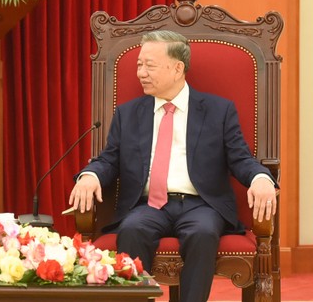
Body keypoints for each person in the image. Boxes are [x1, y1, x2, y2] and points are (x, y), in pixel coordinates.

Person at [68, 30, 277, 302]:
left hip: (201, 204)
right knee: (132, 229)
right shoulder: (129, 113)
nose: (141, 72)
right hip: (147, 206)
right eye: (139, 65)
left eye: (149, 65)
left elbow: (240, 158)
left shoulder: (218, 111)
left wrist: (261, 177)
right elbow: (110, 158)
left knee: (202, 232)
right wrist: (90, 175)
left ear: (177, 68)